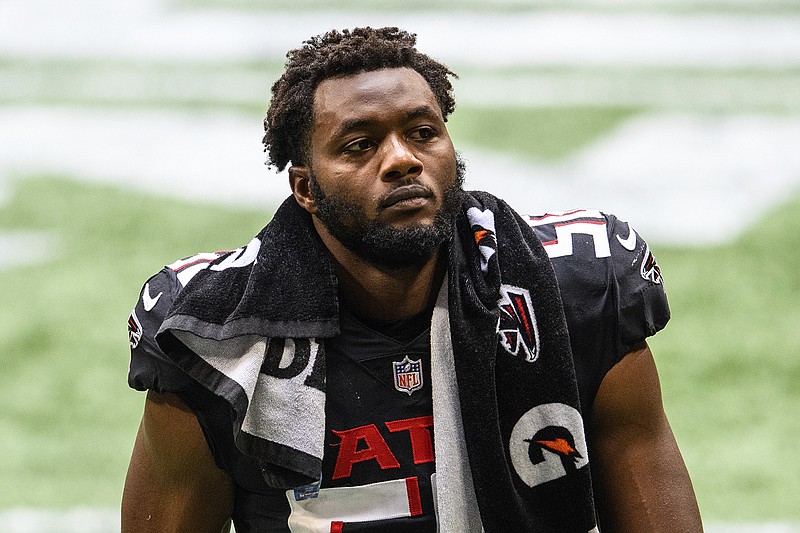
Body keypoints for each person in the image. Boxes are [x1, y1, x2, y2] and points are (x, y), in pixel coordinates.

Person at [122, 27, 702, 533]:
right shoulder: (210, 334)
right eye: (359, 145)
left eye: (423, 132)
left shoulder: (575, 290)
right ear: (304, 188)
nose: (401, 159)